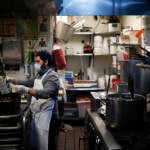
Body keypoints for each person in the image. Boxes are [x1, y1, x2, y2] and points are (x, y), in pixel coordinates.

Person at [8, 50, 60, 150]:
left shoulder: (52, 76)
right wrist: (12, 80)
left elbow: (46, 93)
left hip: (48, 117)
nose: (35, 64)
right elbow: (28, 82)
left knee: (48, 144)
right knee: (37, 144)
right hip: (38, 114)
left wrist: (26, 90)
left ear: (46, 62)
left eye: (37, 61)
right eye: (35, 62)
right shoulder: (39, 74)